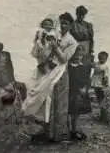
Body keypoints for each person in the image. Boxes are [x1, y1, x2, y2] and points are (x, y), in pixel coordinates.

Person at [22, 13, 77, 143]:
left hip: (60, 72)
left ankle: (57, 134)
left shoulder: (72, 41)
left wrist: (55, 47)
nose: (63, 25)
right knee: (44, 98)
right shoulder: (54, 34)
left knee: (57, 102)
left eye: (66, 23)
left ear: (70, 25)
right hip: (48, 69)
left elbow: (64, 59)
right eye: (62, 22)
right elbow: (43, 50)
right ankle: (44, 131)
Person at [68, 45, 92, 141]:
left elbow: (87, 79)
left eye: (81, 55)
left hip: (81, 92)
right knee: (72, 112)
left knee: (77, 113)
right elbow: (71, 80)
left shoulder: (83, 66)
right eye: (77, 54)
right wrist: (79, 89)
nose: (79, 57)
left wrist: (85, 88)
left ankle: (75, 130)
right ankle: (72, 130)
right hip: (73, 91)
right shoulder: (70, 67)